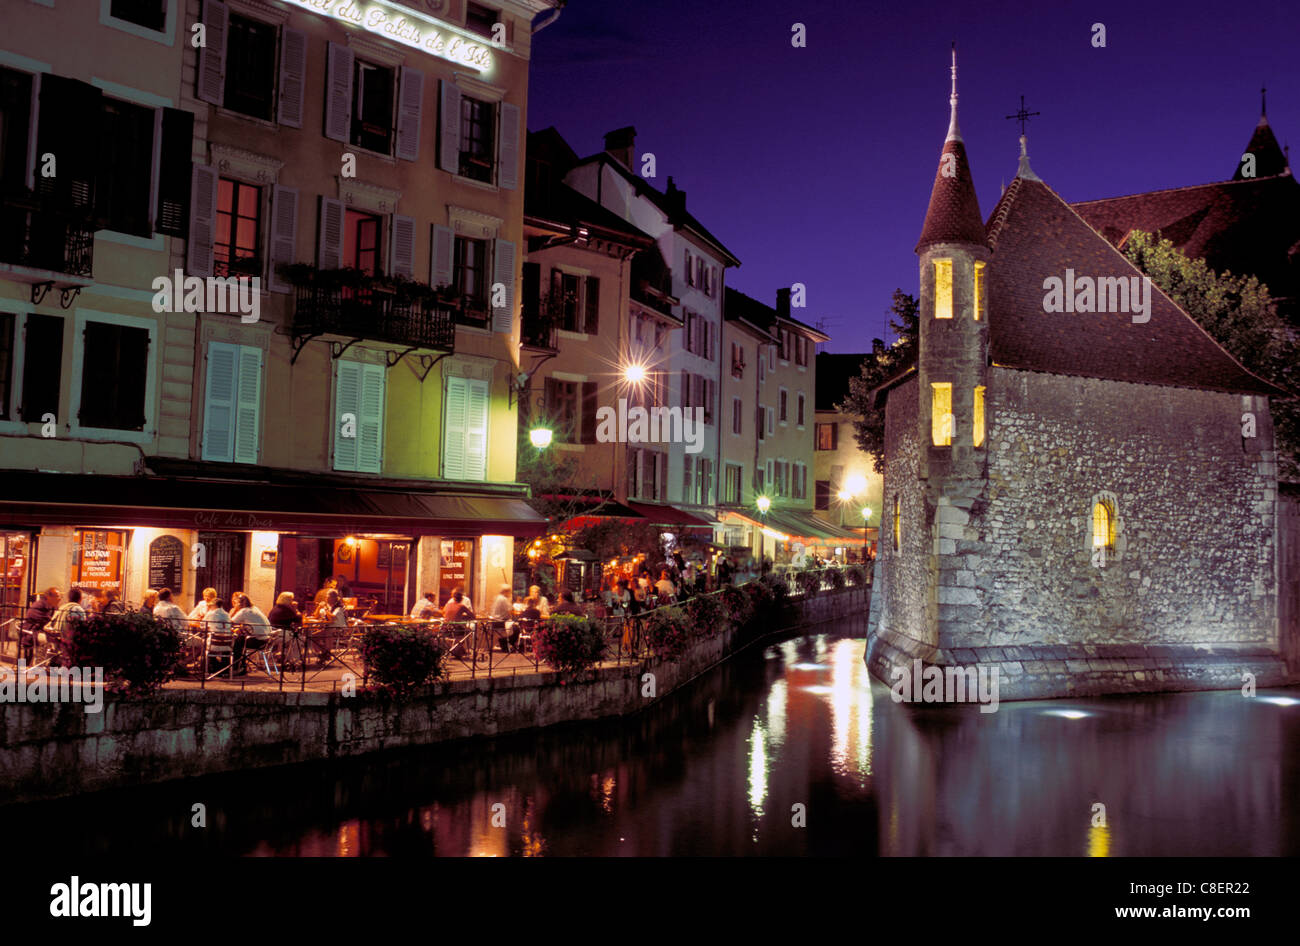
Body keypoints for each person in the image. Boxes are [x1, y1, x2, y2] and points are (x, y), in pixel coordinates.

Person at [231, 594, 272, 673]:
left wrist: (233, 611)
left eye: (235, 603)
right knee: (240, 640)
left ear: (239, 603)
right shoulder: (254, 608)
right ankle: (242, 666)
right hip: (266, 640)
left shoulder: (244, 611)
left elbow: (230, 622)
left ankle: (237, 667)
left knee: (237, 643)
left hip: (258, 641)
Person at [21, 587, 60, 661]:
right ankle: (40, 663)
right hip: (31, 634)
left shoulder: (53, 607)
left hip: (39, 632)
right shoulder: (39, 605)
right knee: (53, 641)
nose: (60, 598)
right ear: (49, 597)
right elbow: (46, 622)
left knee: (58, 641)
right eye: (57, 596)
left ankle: (48, 662)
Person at [489, 584, 517, 653]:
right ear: (506, 591)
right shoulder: (504, 599)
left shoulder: (497, 598)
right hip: (501, 622)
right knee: (517, 629)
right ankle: (505, 644)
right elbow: (511, 610)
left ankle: (503, 643)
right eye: (509, 592)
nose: (510, 594)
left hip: (494, 622)